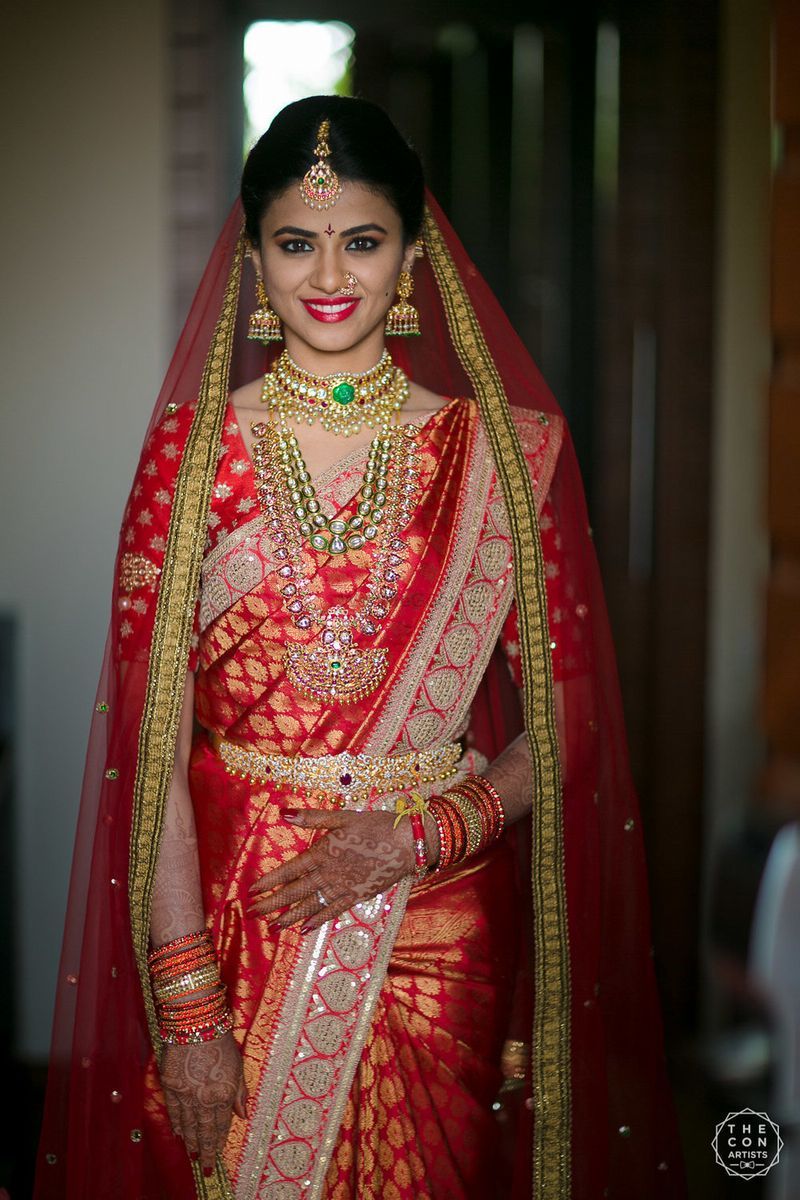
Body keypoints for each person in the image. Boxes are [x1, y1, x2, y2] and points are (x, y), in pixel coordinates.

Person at [35, 95, 686, 1199]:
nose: (328, 273)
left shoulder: (506, 457)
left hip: (439, 932)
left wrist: (423, 832)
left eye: (362, 240)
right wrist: (188, 1003)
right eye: (296, 242)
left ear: (411, 256)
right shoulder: (190, 462)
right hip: (236, 924)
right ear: (253, 260)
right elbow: (151, 754)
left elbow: (568, 725)